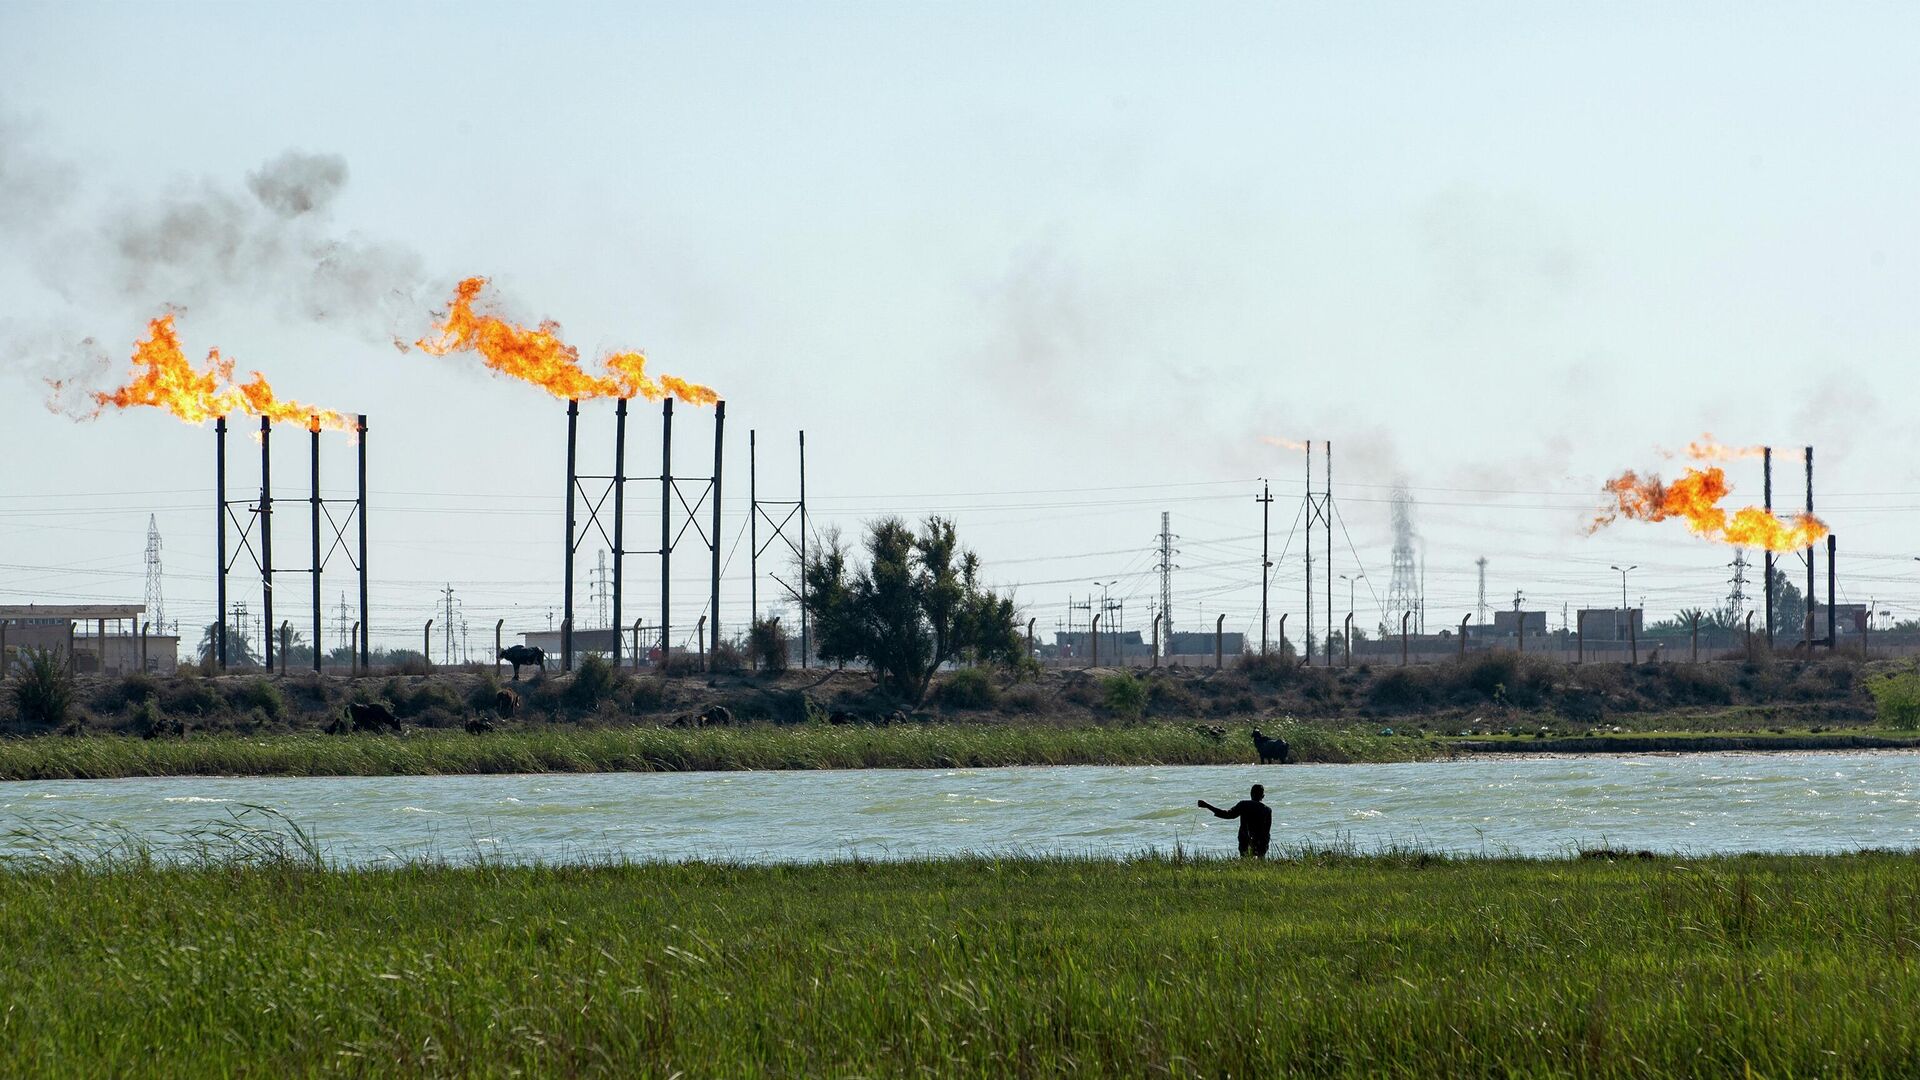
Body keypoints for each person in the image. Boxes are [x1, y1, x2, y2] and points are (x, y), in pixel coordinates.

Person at [1198, 783, 1272, 858]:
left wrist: (1207, 806)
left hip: (1245, 839)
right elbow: (1266, 832)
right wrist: (1261, 844)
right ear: (1263, 796)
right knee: (1260, 861)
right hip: (1260, 842)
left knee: (1245, 861)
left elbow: (1227, 814)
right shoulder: (1267, 810)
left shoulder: (1243, 805)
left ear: (1251, 794)